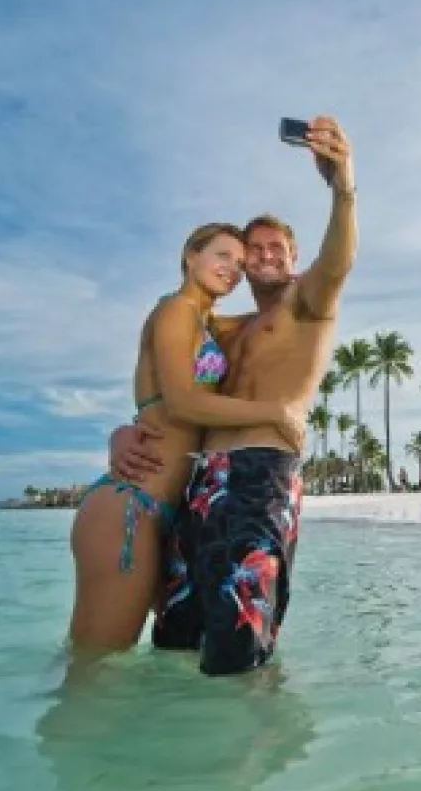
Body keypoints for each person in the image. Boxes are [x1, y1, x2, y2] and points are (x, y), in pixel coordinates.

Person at [109, 114, 357, 676]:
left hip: (259, 475)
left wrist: (341, 185)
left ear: (294, 257)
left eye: (276, 248)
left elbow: (339, 260)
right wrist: (125, 430)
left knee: (239, 648)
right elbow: (166, 376)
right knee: (175, 638)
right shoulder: (227, 329)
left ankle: (250, 730)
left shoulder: (308, 304)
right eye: (253, 252)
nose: (264, 256)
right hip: (201, 483)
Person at [65, 222, 306, 659]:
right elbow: (180, 402)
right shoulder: (176, 309)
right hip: (131, 505)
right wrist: (274, 414)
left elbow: (270, 321)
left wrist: (291, 287)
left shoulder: (205, 321)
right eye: (221, 255)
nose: (232, 269)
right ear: (191, 256)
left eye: (240, 262)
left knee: (124, 662)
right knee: (94, 667)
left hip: (166, 513)